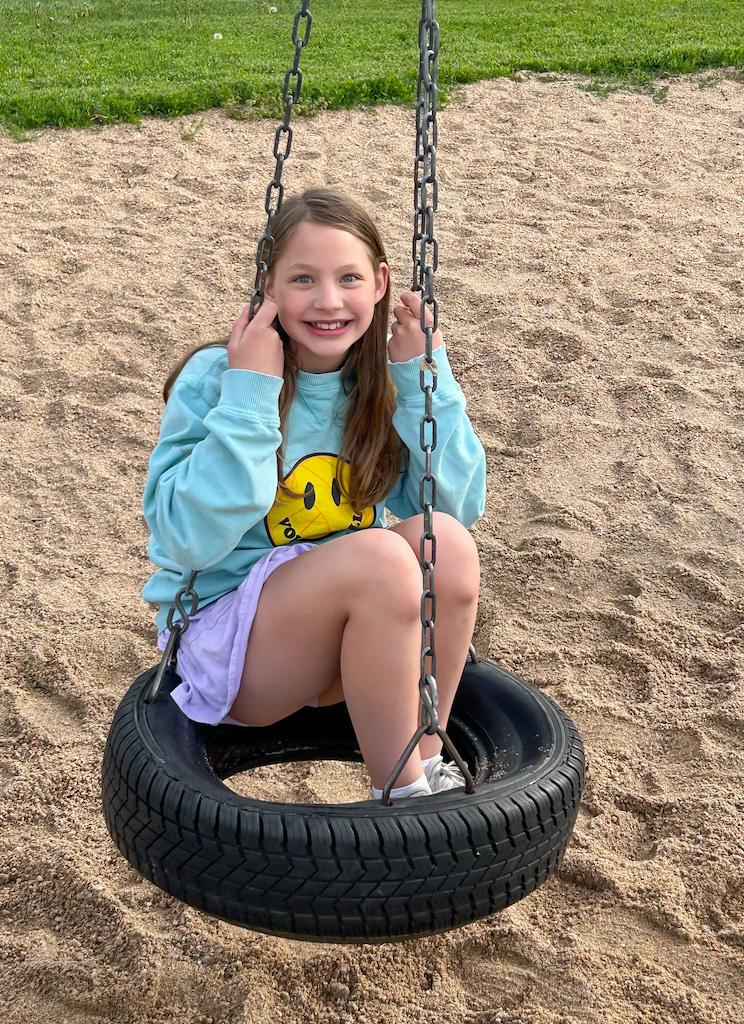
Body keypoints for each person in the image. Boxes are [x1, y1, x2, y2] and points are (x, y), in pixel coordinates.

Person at [142, 188, 486, 800]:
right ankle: (403, 800)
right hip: (234, 655)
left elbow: (455, 511)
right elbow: (183, 539)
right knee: (378, 556)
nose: (329, 301)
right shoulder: (217, 379)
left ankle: (424, 756)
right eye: (303, 279)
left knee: (450, 546)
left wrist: (426, 379)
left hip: (355, 631)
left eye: (349, 277)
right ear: (268, 285)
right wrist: (250, 395)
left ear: (380, 284)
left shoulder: (381, 386)